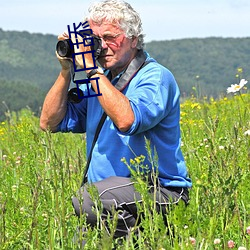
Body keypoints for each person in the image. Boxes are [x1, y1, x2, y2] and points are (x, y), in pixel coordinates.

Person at [40, 0, 192, 244]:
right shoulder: (103, 81)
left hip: (159, 192)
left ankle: (146, 241)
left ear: (133, 39)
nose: (102, 46)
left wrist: (91, 69)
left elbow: (127, 120)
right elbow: (49, 123)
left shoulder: (154, 77)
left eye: (110, 37)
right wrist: (66, 70)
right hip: (110, 199)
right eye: (95, 38)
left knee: (88, 199)